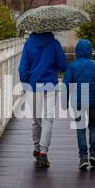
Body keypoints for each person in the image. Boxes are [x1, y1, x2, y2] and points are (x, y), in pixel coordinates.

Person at [19, 32, 68, 168]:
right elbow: (63, 66)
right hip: (50, 85)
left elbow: (22, 69)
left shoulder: (28, 44)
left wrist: (25, 82)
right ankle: (43, 152)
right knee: (48, 119)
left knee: (36, 120)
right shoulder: (54, 43)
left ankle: (36, 147)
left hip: (33, 86)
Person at [63, 39, 95, 170]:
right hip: (93, 101)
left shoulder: (72, 66)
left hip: (78, 101)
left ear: (77, 51)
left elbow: (65, 85)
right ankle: (93, 154)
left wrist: (64, 102)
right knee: (93, 126)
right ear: (90, 51)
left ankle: (83, 156)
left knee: (80, 128)